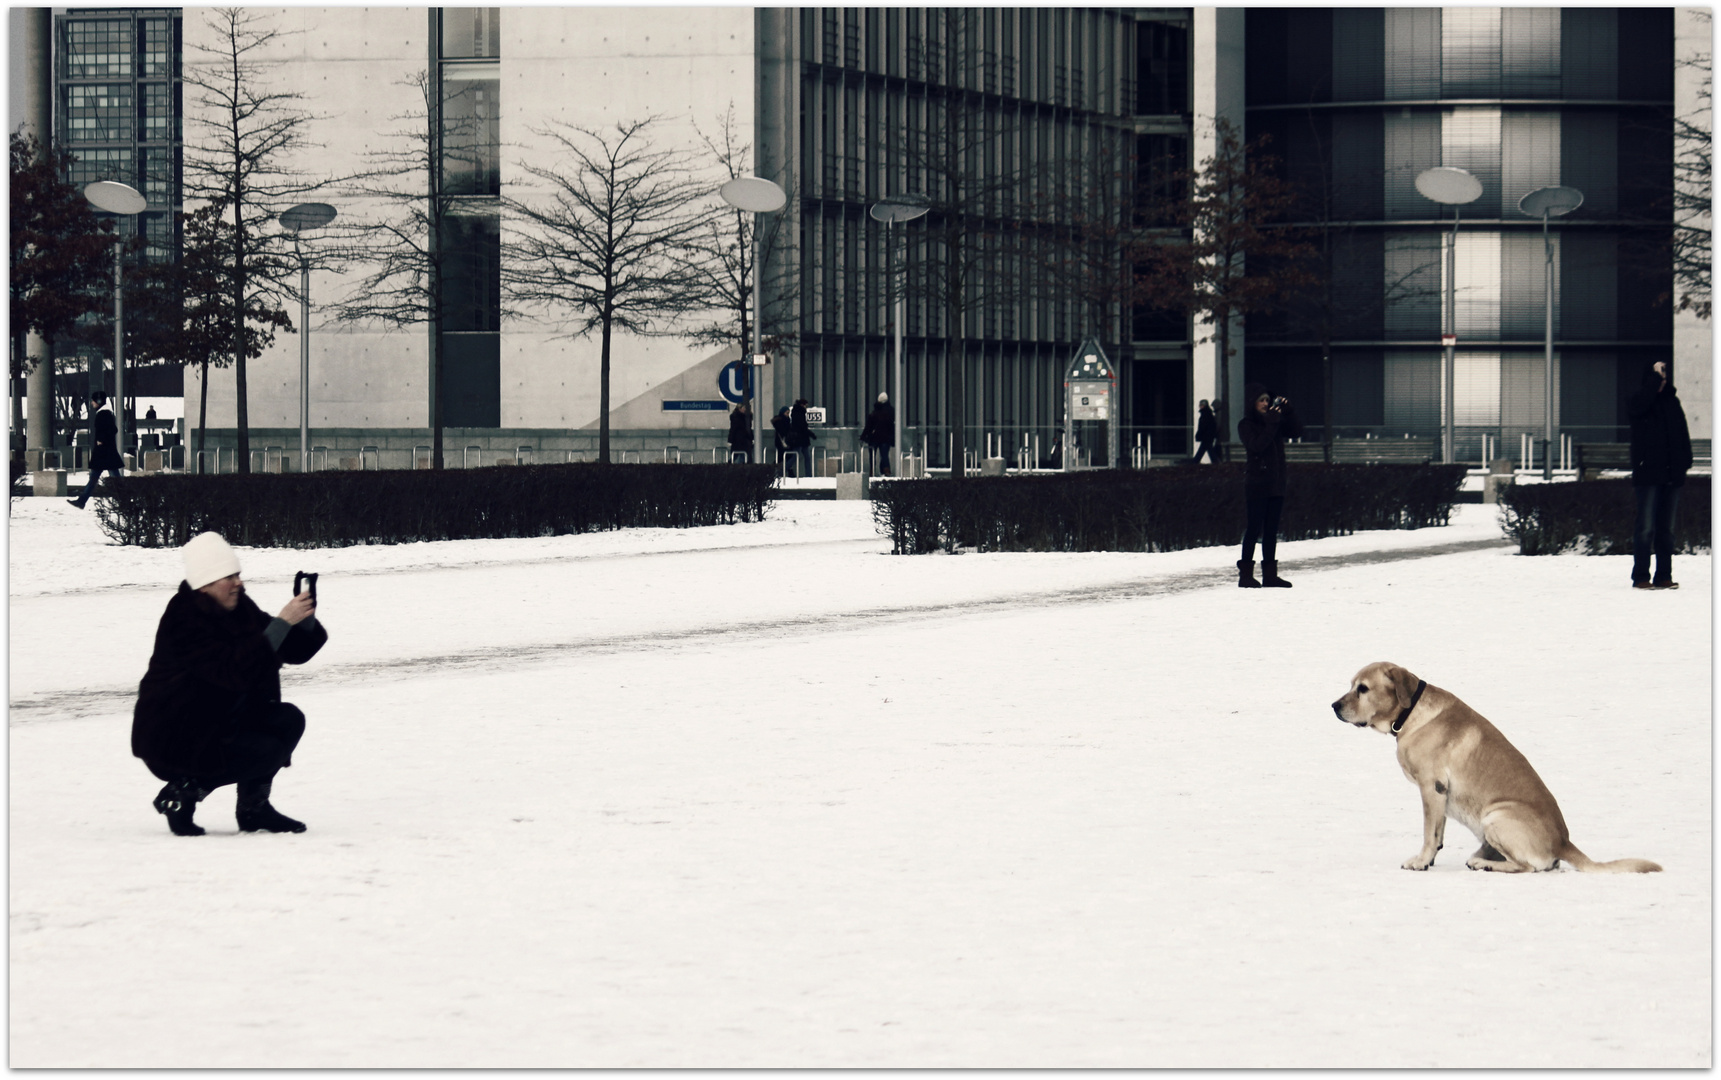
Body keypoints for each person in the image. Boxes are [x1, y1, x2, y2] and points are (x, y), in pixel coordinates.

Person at [132, 532, 328, 836]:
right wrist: (281, 623)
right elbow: (232, 670)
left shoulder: (238, 606)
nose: (238, 582)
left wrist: (303, 621)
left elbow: (285, 648)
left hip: (218, 722)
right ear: (205, 583)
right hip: (175, 736)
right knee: (266, 750)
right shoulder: (183, 619)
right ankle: (181, 792)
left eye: (237, 574)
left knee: (288, 720)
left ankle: (254, 809)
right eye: (228, 576)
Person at [1628, 359, 1692, 590]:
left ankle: (1664, 575)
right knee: (1645, 528)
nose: (1662, 382)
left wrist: (1685, 463)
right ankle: (1641, 577)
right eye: (1658, 378)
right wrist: (1653, 381)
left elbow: (1682, 433)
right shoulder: (1640, 401)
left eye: (1664, 378)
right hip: (1648, 474)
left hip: (1671, 474)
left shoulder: (1672, 403)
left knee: (1667, 530)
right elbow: (1639, 407)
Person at [1236, 382, 1303, 588]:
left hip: (1276, 482)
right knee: (1254, 528)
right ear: (1253, 404)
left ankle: (1270, 575)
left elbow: (1297, 431)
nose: (1265, 404)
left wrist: (1288, 412)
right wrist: (1272, 424)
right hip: (1257, 483)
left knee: (1272, 530)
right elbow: (1257, 446)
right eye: (1261, 400)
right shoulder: (1246, 425)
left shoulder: (1274, 421)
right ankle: (1245, 575)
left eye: (1267, 400)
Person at [66, 391, 124, 510]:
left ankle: (123, 501)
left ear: (98, 401)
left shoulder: (103, 414)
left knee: (105, 478)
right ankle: (82, 501)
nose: (92, 403)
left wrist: (101, 439)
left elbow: (112, 429)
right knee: (110, 478)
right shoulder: (106, 413)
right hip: (106, 452)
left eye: (93, 400)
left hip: (103, 452)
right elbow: (113, 429)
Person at [860, 392, 895, 476]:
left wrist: (863, 437)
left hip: (874, 438)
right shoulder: (891, 412)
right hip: (885, 438)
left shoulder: (873, 414)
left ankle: (872, 471)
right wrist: (892, 438)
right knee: (884, 455)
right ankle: (886, 471)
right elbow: (891, 427)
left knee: (872, 455)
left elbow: (868, 427)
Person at [789, 397, 816, 478]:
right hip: (800, 439)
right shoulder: (799, 413)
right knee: (795, 457)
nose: (806, 407)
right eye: (806, 405)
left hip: (802, 439)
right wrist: (811, 434)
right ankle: (780, 471)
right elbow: (802, 427)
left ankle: (809, 475)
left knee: (806, 457)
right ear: (802, 405)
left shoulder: (797, 412)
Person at [1192, 399, 1219, 464]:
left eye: (1201, 405)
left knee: (1205, 450)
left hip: (1206, 436)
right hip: (1207, 436)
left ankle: (1195, 462)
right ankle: (1196, 461)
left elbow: (1204, 427)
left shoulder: (1205, 415)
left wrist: (1201, 434)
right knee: (1208, 450)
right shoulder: (1208, 414)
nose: (1200, 406)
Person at [771, 406, 793, 470]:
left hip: (783, 441)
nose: (788, 414)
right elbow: (783, 431)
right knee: (783, 457)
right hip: (781, 441)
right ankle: (772, 469)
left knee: (784, 457)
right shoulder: (781, 420)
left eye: (789, 413)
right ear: (783, 413)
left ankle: (788, 471)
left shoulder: (785, 420)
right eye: (787, 413)